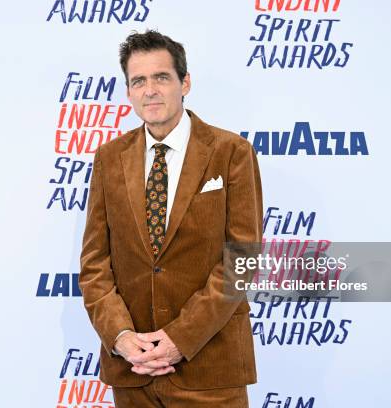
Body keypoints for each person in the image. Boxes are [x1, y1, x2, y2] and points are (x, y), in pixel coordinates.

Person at [79, 29, 263, 407]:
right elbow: (95, 263)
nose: (151, 90)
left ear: (185, 82)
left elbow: (242, 259)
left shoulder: (232, 152)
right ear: (128, 91)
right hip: (134, 372)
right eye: (139, 81)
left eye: (162, 77)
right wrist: (121, 337)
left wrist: (181, 337)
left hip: (211, 370)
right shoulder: (109, 158)